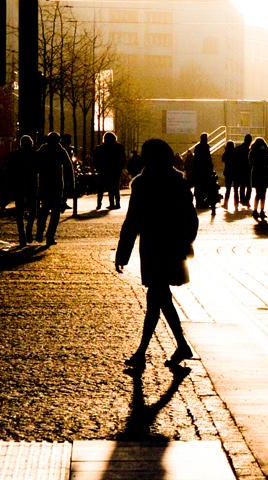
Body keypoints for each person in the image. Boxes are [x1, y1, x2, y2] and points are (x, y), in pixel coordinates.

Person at [116, 139, 199, 372]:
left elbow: (132, 221)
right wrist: (186, 242)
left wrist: (123, 253)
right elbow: (191, 218)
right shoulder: (178, 182)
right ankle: (174, 347)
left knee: (157, 297)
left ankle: (147, 352)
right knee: (159, 298)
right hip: (172, 246)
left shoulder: (142, 184)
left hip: (153, 247)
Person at [35, 132, 69, 246]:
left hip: (44, 184)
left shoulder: (42, 151)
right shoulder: (61, 151)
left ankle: (40, 232)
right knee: (55, 213)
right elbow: (69, 168)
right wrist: (71, 186)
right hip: (57, 185)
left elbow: (35, 167)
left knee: (44, 210)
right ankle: (50, 236)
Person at [7, 135, 39, 246]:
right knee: (33, 210)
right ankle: (28, 230)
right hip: (31, 185)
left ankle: (22, 236)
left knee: (19, 212)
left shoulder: (14, 155)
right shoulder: (35, 155)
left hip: (19, 185)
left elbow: (10, 172)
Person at [93, 132, 127, 209]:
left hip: (103, 170)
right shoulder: (119, 147)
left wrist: (98, 168)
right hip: (115, 170)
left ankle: (99, 204)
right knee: (115, 187)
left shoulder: (100, 148)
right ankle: (116, 203)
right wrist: (121, 168)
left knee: (101, 188)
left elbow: (95, 160)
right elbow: (123, 159)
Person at [248, 137, 268, 220]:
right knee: (263, 194)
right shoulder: (266, 152)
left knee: (257, 194)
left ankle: (255, 210)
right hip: (264, 173)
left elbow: (251, 162)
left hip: (256, 173)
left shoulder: (252, 152)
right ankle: (262, 210)